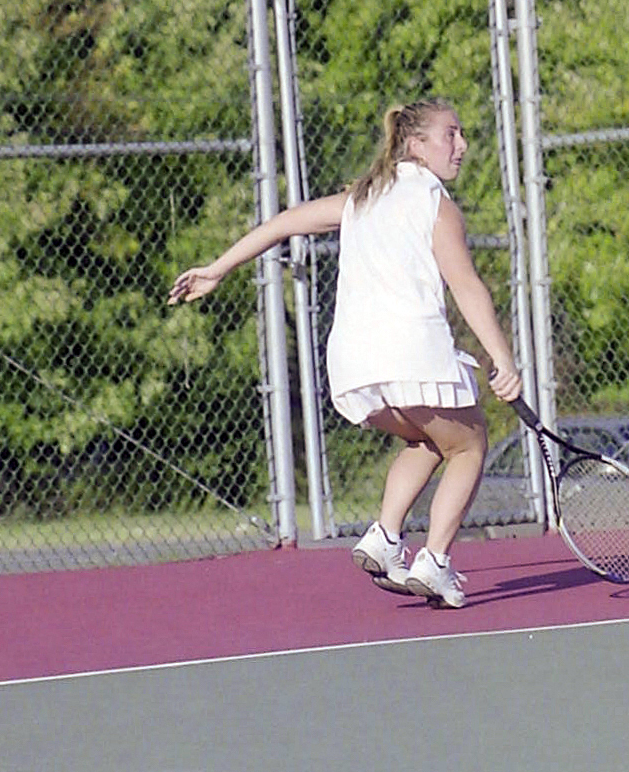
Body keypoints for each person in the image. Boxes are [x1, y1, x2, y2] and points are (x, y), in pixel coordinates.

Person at [168, 99, 523, 608]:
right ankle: (435, 562)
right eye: (451, 134)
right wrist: (502, 359)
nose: (462, 145)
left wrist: (217, 268)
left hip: (352, 367)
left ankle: (384, 538)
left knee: (428, 439)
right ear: (416, 145)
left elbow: (284, 222)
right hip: (410, 354)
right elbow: (466, 286)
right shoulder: (436, 205)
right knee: (468, 445)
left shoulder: (363, 197)